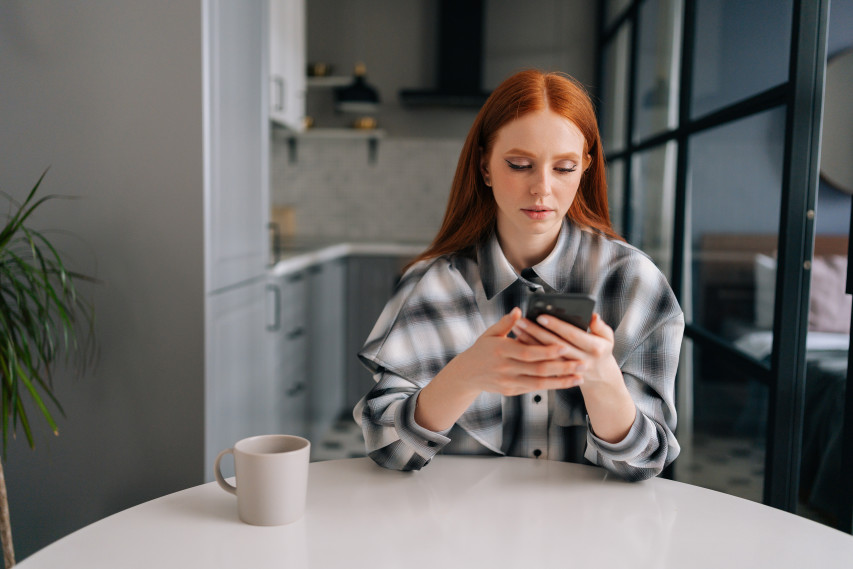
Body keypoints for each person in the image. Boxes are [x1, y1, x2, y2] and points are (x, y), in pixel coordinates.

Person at [352, 70, 683, 481]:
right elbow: (387, 450)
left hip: (592, 533)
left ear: (584, 169)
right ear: (485, 167)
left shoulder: (634, 283)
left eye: (563, 168)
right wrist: (465, 374)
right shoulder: (432, 284)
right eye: (520, 164)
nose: (541, 188)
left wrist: (602, 380)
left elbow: (646, 463)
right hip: (459, 531)